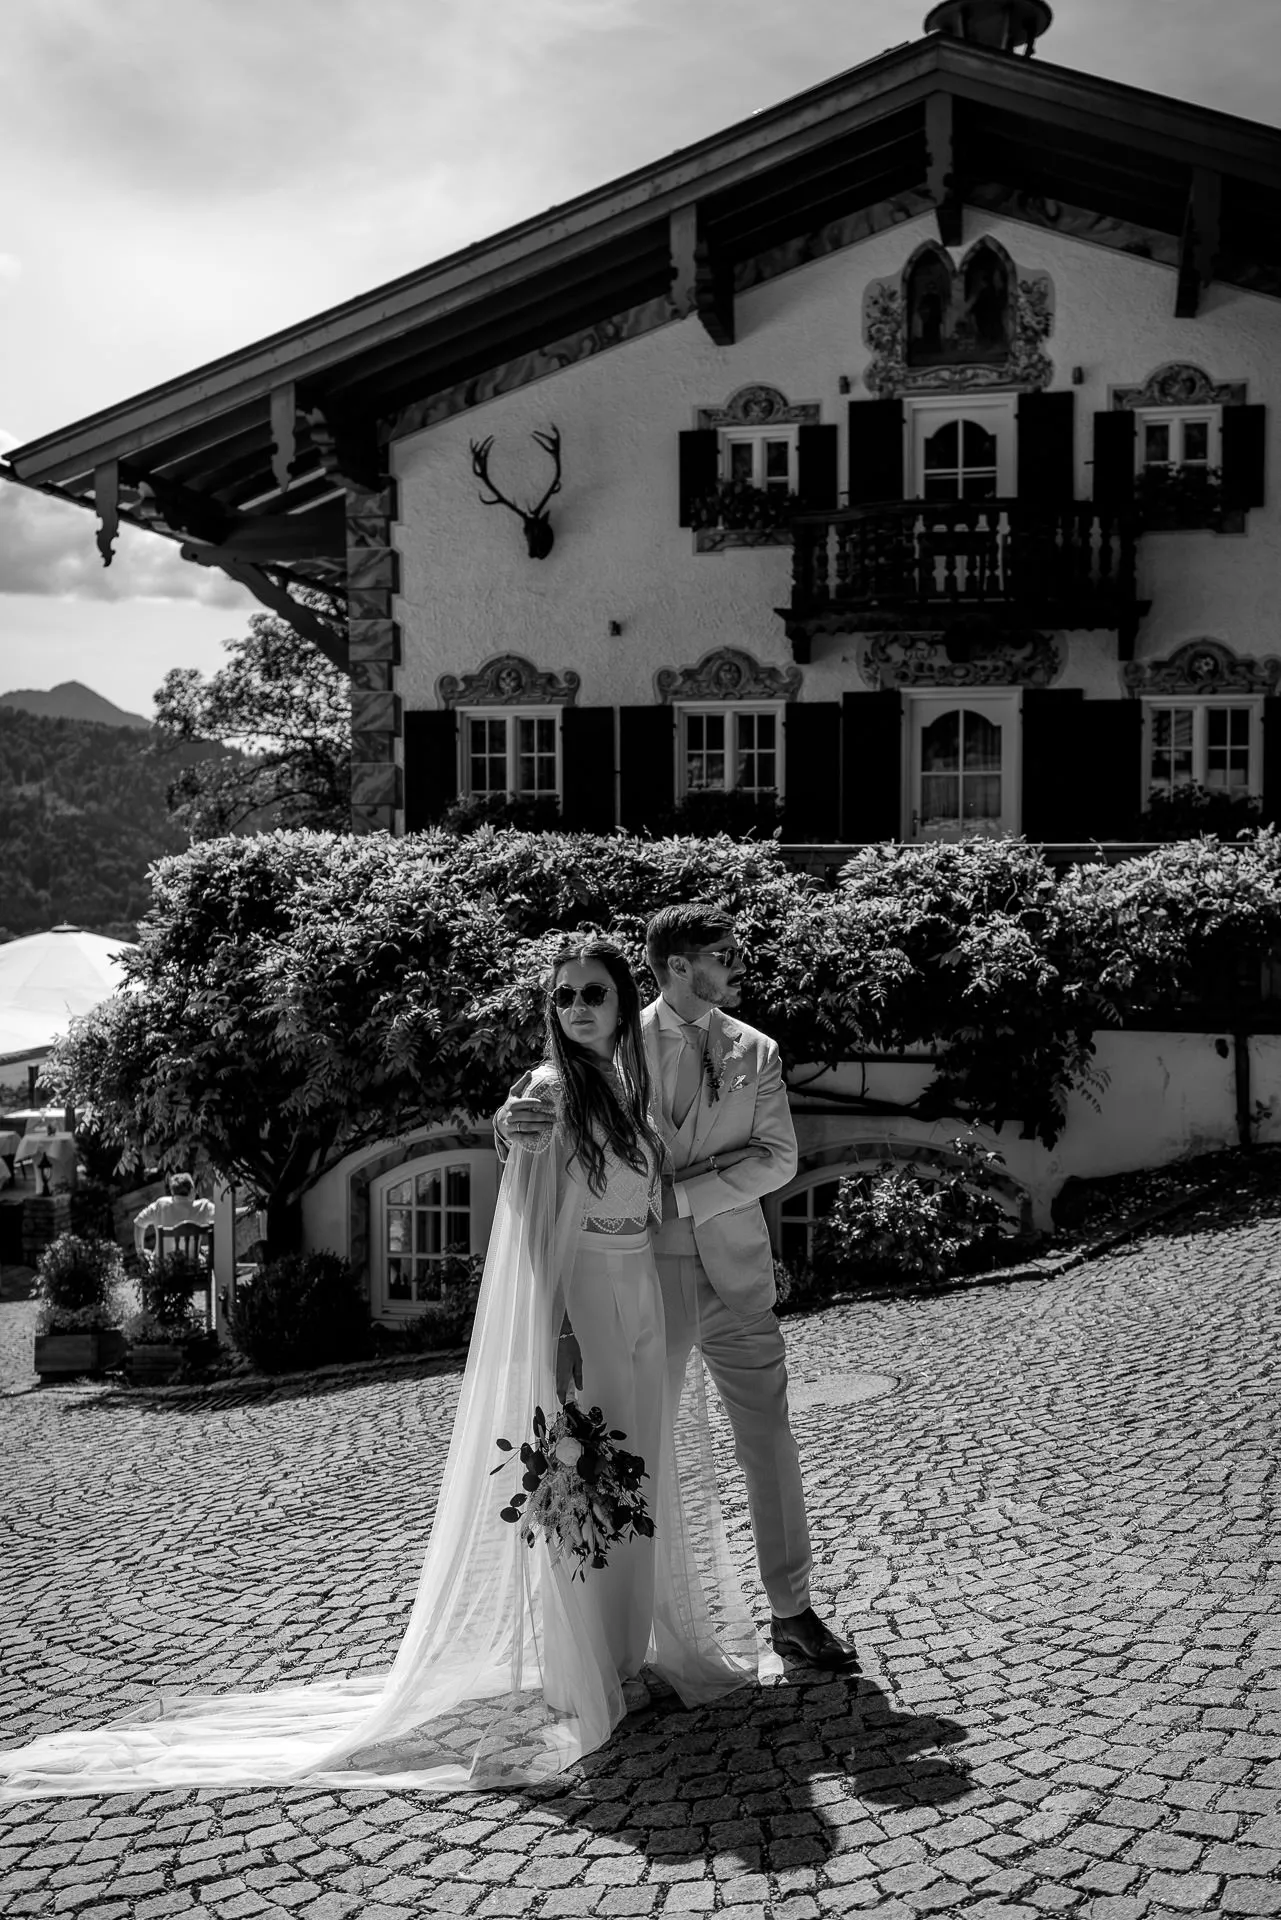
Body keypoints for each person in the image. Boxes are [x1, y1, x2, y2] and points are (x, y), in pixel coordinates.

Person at [0, 940, 757, 1803]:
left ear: (623, 1002)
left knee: (636, 1478)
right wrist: (552, 1331)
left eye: (592, 993)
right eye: (562, 996)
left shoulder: (626, 1090)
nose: (577, 1007)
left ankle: (632, 1652)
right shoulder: (550, 1091)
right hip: (584, 1297)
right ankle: (594, 1670)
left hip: (640, 1297)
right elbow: (529, 1216)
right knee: (586, 1484)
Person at [499, 904, 860, 1674]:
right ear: (672, 967)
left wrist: (687, 1196)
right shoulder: (621, 1044)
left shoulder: (754, 1050)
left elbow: (778, 1159)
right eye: (722, 953)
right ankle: (631, 1633)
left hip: (734, 1273)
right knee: (634, 1447)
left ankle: (792, 1611)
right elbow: (553, 1116)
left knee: (767, 1437)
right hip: (638, 1277)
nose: (736, 963)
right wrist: (508, 1125)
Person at [132, 1171, 215, 1265]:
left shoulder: (161, 1205)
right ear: (192, 1189)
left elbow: (138, 1223)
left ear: (172, 1191)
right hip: (192, 1268)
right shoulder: (204, 1207)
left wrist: (140, 1251)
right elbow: (223, 1217)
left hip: (163, 1270)